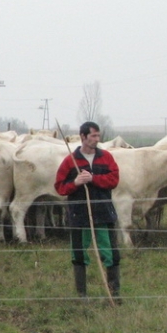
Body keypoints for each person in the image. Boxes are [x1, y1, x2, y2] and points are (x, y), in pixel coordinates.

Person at [54, 121, 121, 301]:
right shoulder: (70, 161)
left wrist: (93, 179)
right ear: (83, 137)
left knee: (111, 253)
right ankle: (82, 295)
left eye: (98, 136)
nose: (97, 139)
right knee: (79, 253)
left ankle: (114, 294)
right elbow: (60, 187)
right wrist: (75, 183)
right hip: (79, 215)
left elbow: (114, 180)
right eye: (93, 136)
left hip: (103, 213)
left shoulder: (106, 157)